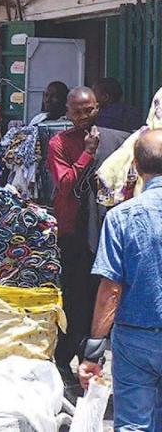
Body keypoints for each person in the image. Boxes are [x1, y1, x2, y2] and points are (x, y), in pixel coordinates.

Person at [78, 128, 162, 431]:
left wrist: (94, 349)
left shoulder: (121, 217)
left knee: (133, 425)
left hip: (136, 338)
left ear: (136, 167)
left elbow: (111, 290)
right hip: (137, 336)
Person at [47, 87, 102, 378]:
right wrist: (87, 154)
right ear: (68, 113)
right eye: (77, 112)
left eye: (89, 110)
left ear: (97, 108)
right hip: (71, 231)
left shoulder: (112, 139)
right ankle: (64, 357)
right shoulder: (59, 142)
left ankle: (90, 357)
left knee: (96, 296)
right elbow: (66, 182)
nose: (83, 117)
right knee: (73, 296)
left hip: (102, 230)